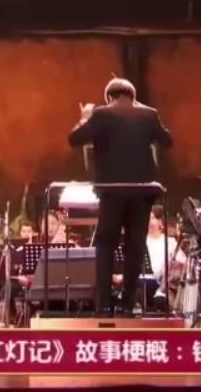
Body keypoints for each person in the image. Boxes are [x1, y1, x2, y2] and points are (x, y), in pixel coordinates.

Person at [67, 77, 173, 315]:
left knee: (106, 243)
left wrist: (84, 117)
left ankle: (104, 303)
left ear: (109, 97)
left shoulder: (101, 114)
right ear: (133, 96)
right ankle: (127, 303)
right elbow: (167, 140)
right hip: (142, 191)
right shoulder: (149, 114)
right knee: (135, 245)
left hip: (112, 190)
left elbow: (74, 140)